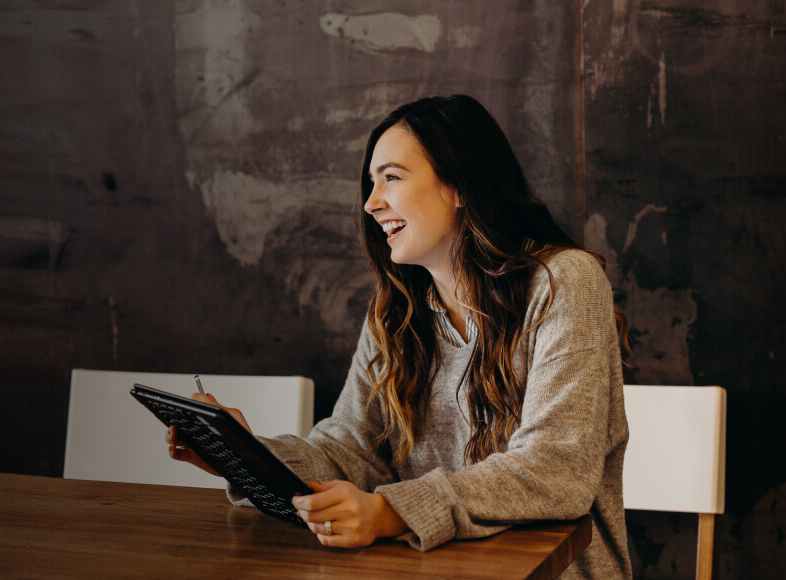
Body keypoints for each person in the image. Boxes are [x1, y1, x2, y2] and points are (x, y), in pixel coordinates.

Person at [166, 95, 633, 579]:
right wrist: (247, 456)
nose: (371, 203)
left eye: (391, 177)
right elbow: (350, 451)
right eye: (371, 183)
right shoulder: (396, 311)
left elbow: (556, 471)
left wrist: (390, 513)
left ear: (460, 185)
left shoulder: (564, 282)